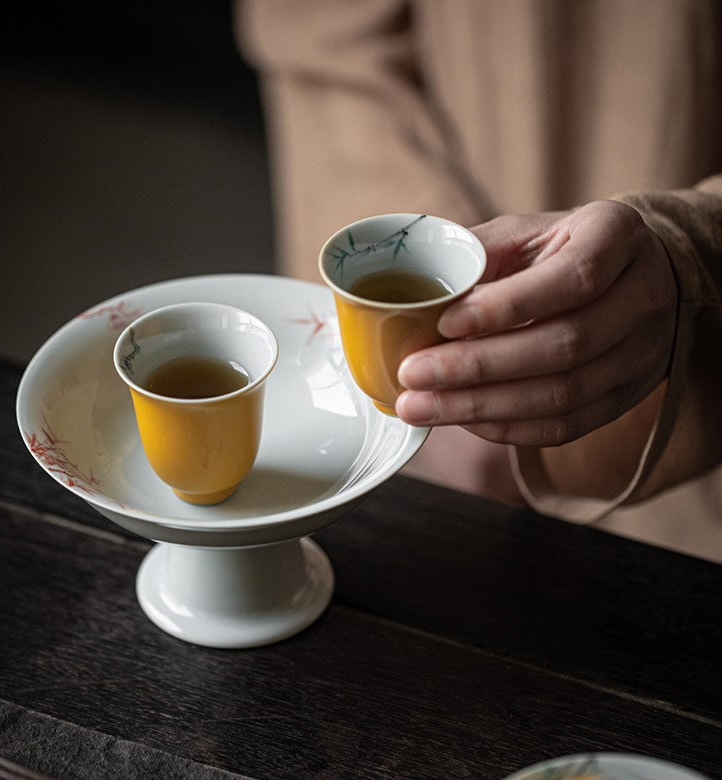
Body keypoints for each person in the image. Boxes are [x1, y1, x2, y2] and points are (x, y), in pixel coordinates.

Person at [234, 0, 722, 560]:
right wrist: (426, 316)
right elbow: (320, 36)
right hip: (412, 452)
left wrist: (691, 249)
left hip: (686, 491)